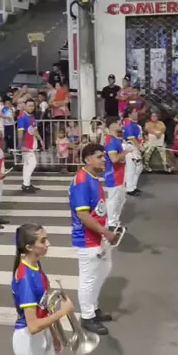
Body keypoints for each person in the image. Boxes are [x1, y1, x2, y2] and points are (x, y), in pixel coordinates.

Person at [69, 143, 117, 335]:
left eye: (103, 156)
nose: (104, 159)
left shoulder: (93, 178)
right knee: (88, 279)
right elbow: (83, 215)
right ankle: (87, 317)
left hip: (98, 237)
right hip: (87, 239)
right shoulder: (82, 181)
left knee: (103, 270)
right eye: (99, 157)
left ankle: (93, 307)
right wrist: (105, 232)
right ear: (87, 159)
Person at [12, 223, 72, 355]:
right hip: (29, 341)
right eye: (43, 241)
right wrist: (63, 312)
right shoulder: (26, 278)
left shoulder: (35, 265)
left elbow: (43, 307)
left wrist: (53, 334)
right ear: (29, 247)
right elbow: (32, 326)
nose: (48, 244)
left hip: (43, 332)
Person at [103, 117, 129, 228]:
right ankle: (111, 223)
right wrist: (126, 152)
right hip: (113, 175)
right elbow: (114, 158)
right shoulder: (111, 140)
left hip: (120, 174)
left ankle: (115, 221)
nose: (120, 124)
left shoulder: (116, 139)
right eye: (118, 123)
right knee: (114, 200)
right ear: (112, 125)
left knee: (121, 199)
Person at [17, 99, 44, 193]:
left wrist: (40, 140)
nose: (31, 107)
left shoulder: (32, 116)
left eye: (32, 106)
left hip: (31, 144)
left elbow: (34, 130)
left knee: (27, 164)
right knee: (32, 163)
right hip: (26, 145)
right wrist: (21, 145)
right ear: (24, 106)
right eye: (29, 105)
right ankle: (26, 184)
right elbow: (20, 133)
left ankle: (26, 183)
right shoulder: (22, 117)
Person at [121, 108, 143, 195]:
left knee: (138, 167)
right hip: (130, 146)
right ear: (129, 114)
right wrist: (139, 147)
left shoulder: (133, 123)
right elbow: (131, 137)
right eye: (134, 112)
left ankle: (133, 186)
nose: (136, 113)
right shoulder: (128, 122)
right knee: (131, 168)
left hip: (134, 145)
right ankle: (129, 188)